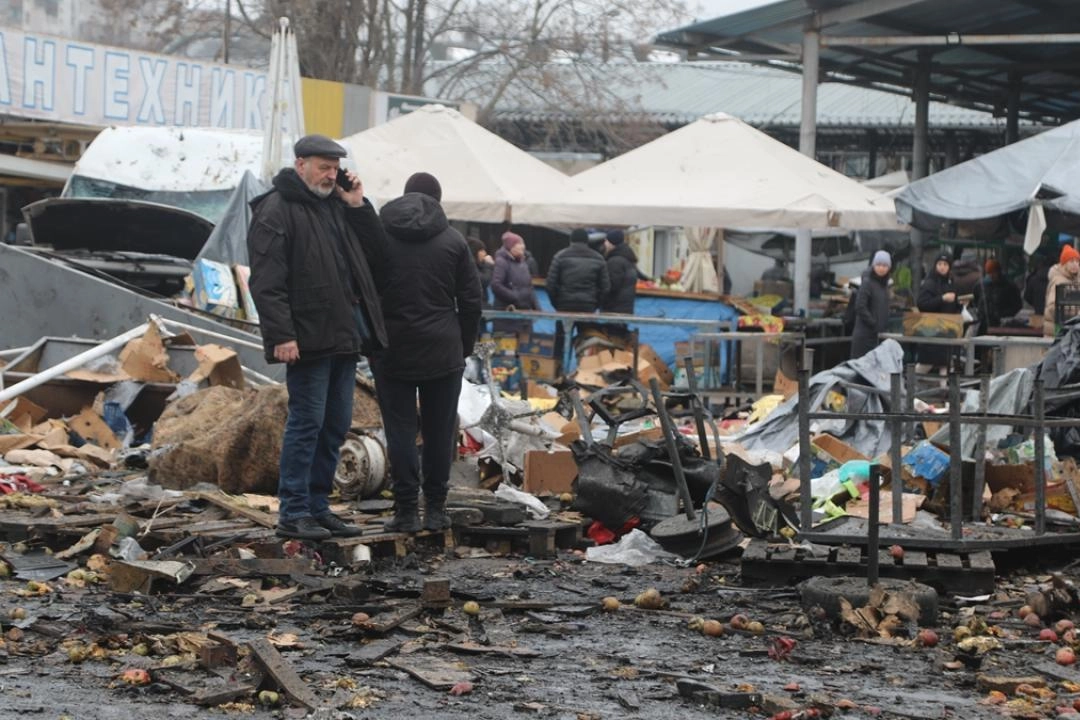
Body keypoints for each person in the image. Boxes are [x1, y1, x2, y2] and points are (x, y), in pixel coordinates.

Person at [248, 134, 387, 541]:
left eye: (334, 168)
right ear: (301, 164)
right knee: (306, 424)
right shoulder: (276, 209)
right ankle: (293, 511)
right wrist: (282, 335)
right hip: (306, 338)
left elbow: (376, 254)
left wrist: (358, 205)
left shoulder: (336, 207)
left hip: (343, 335)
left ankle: (318, 506)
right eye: (323, 167)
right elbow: (266, 281)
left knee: (335, 424)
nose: (330, 175)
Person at [374, 172, 483, 532]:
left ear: (404, 196)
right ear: (439, 199)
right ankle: (435, 511)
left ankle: (406, 511)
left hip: (392, 348)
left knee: (400, 431)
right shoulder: (453, 241)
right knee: (439, 432)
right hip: (443, 348)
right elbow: (470, 301)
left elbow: (364, 292)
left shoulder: (379, 236)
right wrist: (463, 345)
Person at [546, 228, 610, 313]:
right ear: (587, 241)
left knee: (565, 326)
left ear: (571, 240)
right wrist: (596, 303)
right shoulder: (599, 259)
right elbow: (605, 288)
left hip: (565, 304)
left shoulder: (559, 256)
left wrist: (556, 303)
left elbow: (550, 284)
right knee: (587, 327)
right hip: (589, 304)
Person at [915, 252, 960, 370]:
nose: (942, 266)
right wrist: (942, 298)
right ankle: (910, 384)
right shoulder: (929, 283)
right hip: (931, 331)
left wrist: (959, 305)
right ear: (935, 265)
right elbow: (922, 304)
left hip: (947, 331)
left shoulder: (951, 283)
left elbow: (953, 306)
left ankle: (944, 387)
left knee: (945, 365)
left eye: (945, 264)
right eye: (940, 264)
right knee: (926, 364)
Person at [491, 231, 539, 336]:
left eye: (522, 244)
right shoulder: (501, 262)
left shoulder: (523, 263)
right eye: (519, 244)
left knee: (525, 349)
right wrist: (515, 297)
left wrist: (537, 307)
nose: (522, 247)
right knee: (506, 350)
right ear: (511, 247)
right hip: (507, 315)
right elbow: (496, 284)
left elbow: (529, 286)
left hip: (524, 316)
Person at [850, 250, 893, 358]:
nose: (881, 268)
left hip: (877, 335)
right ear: (873, 265)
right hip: (864, 335)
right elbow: (860, 306)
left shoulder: (884, 286)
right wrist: (873, 323)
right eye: (878, 265)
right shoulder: (867, 282)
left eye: (884, 265)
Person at [973, 258, 1022, 334]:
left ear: (998, 272)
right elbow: (975, 301)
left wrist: (1002, 315)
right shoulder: (980, 285)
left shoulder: (1009, 286)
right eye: (989, 273)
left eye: (993, 273)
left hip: (1000, 325)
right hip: (982, 325)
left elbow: (1017, 305)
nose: (991, 276)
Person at [1044, 244, 1080, 337]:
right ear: (1064, 263)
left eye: (1077, 261)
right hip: (1056, 335)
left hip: (1068, 333)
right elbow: (1052, 306)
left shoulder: (1076, 281)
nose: (1075, 264)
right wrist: (1076, 313)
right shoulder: (1058, 281)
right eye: (1071, 261)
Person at [602, 229, 638, 314]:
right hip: (625, 307)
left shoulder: (615, 261)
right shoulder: (628, 258)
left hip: (614, 308)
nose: (605, 244)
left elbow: (612, 286)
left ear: (612, 243)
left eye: (606, 241)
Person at [467, 236, 493, 307]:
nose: (484, 253)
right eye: (481, 251)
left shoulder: (480, 266)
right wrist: (488, 265)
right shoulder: (468, 266)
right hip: (473, 304)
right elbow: (483, 280)